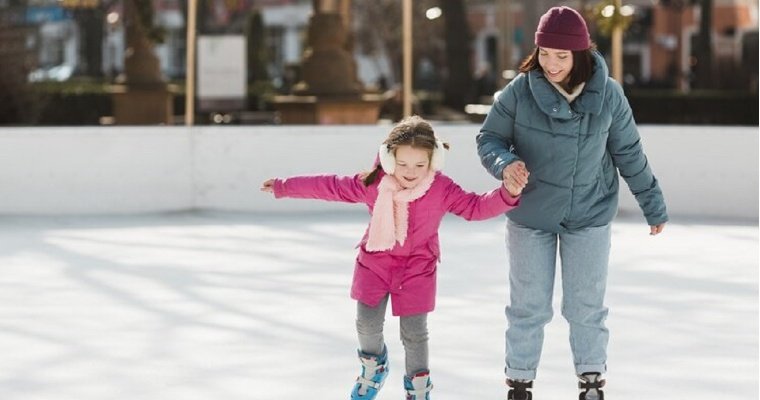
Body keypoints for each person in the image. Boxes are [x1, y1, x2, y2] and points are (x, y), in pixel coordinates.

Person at [261, 115, 528, 400]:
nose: (410, 171)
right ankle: (374, 367)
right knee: (367, 324)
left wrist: (507, 194)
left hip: (418, 269)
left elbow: (474, 207)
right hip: (375, 263)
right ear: (389, 159)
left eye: (419, 164)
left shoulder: (441, 188)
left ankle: (418, 388)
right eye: (402, 164)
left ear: (433, 161)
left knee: (414, 334)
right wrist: (284, 186)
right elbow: (330, 186)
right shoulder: (374, 183)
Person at [475, 6, 668, 400]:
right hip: (531, 215)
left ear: (580, 53)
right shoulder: (520, 92)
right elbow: (489, 139)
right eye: (544, 53)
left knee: (586, 307)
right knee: (528, 306)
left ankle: (592, 382)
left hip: (589, 214)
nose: (551, 64)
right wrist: (506, 163)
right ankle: (519, 382)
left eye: (561, 56)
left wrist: (653, 203)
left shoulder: (609, 94)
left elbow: (629, 152)